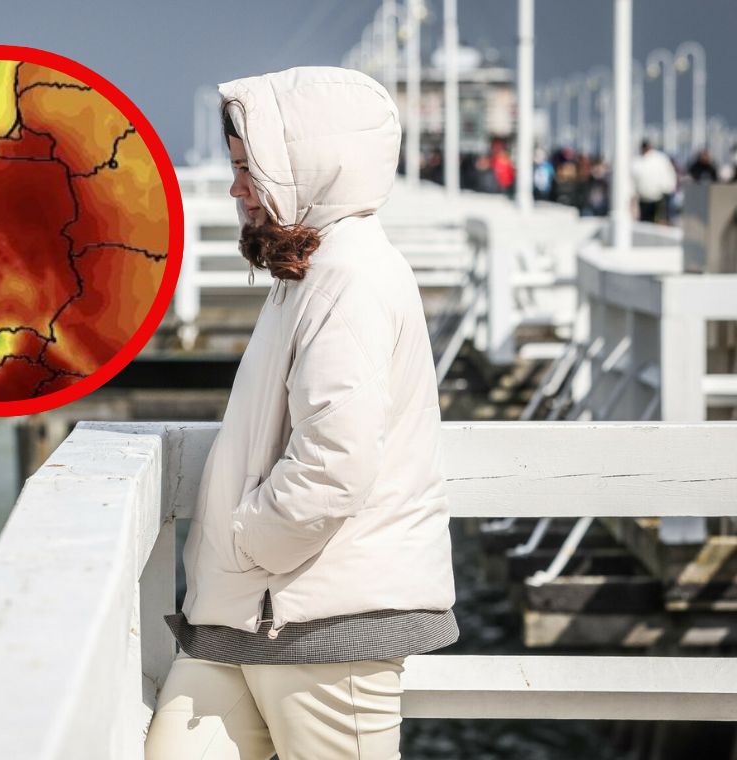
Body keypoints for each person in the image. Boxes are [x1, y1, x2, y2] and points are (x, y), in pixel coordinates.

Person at [144, 66, 458, 760]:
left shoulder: (348, 279)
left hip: (320, 624)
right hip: (251, 613)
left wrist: (246, 539)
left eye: (247, 169)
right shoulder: (315, 271)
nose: (235, 190)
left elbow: (335, 462)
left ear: (305, 166)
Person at [631, 139, 678, 223]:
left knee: (659, 221)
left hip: (660, 197)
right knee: (648, 221)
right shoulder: (638, 161)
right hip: (645, 198)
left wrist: (668, 189)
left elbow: (669, 175)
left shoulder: (659, 159)